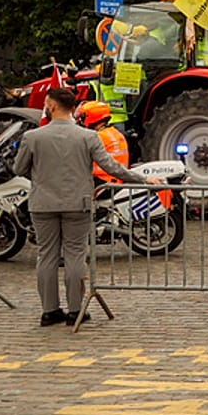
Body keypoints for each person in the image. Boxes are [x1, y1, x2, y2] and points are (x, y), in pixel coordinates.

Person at [14, 88, 161, 327]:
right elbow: (113, 168)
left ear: (51, 107)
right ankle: (75, 311)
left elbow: (19, 169)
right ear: (73, 108)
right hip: (77, 203)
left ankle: (49, 311)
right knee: (75, 255)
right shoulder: (88, 137)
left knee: (47, 256)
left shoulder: (33, 137)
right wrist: (144, 180)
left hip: (42, 204)